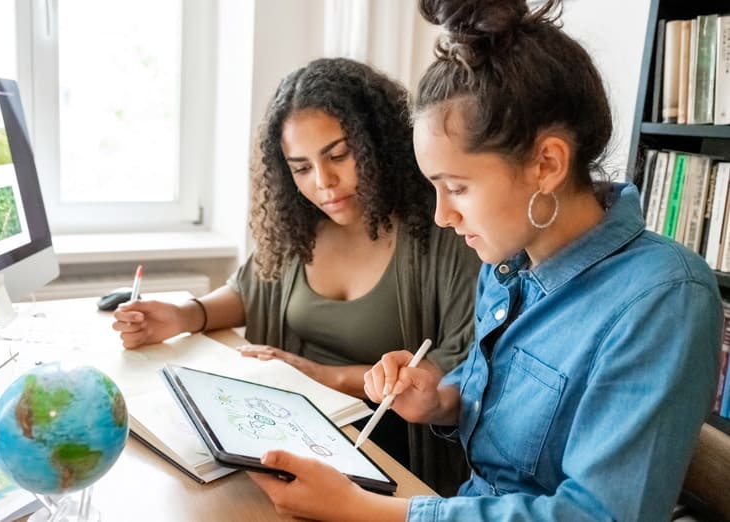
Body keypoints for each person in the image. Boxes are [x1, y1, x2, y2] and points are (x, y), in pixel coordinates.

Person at [247, 1, 723, 520]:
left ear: (547, 163)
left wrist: (367, 510)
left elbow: (594, 515)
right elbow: (485, 395)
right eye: (434, 187)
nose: (443, 215)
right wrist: (438, 398)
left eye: (456, 187)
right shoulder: (506, 266)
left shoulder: (663, 298)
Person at [112, 57, 481, 492]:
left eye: (339, 155)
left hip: (390, 456)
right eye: (301, 168)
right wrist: (181, 315)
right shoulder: (301, 226)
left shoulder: (443, 232)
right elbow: (251, 290)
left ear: (377, 143)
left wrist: (314, 375)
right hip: (299, 431)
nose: (323, 182)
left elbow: (457, 371)